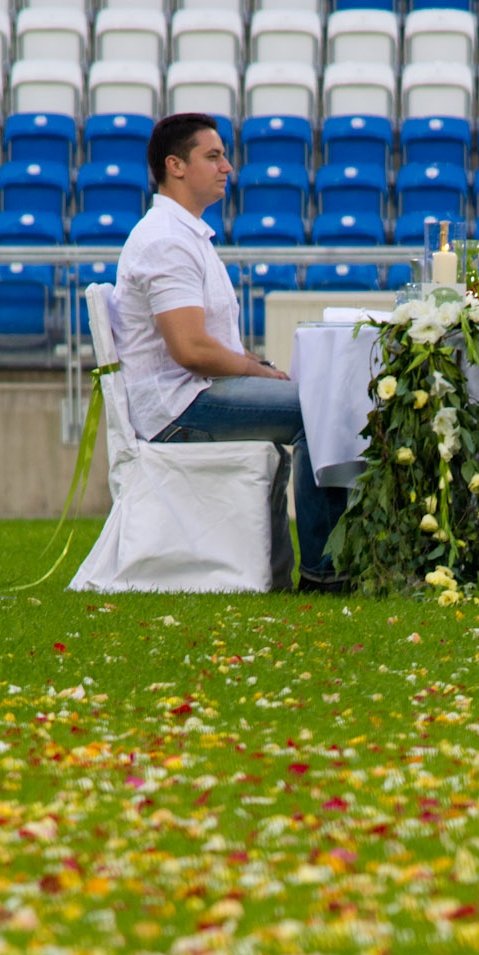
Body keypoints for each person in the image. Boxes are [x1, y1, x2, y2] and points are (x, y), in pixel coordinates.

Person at [112, 112, 347, 594]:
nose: (228, 168)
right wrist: (252, 369)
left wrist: (254, 367)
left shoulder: (184, 234)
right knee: (319, 412)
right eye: (213, 156)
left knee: (320, 403)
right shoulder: (165, 241)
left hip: (190, 394)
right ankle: (326, 574)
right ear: (175, 166)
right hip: (178, 408)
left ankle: (331, 564)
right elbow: (191, 349)